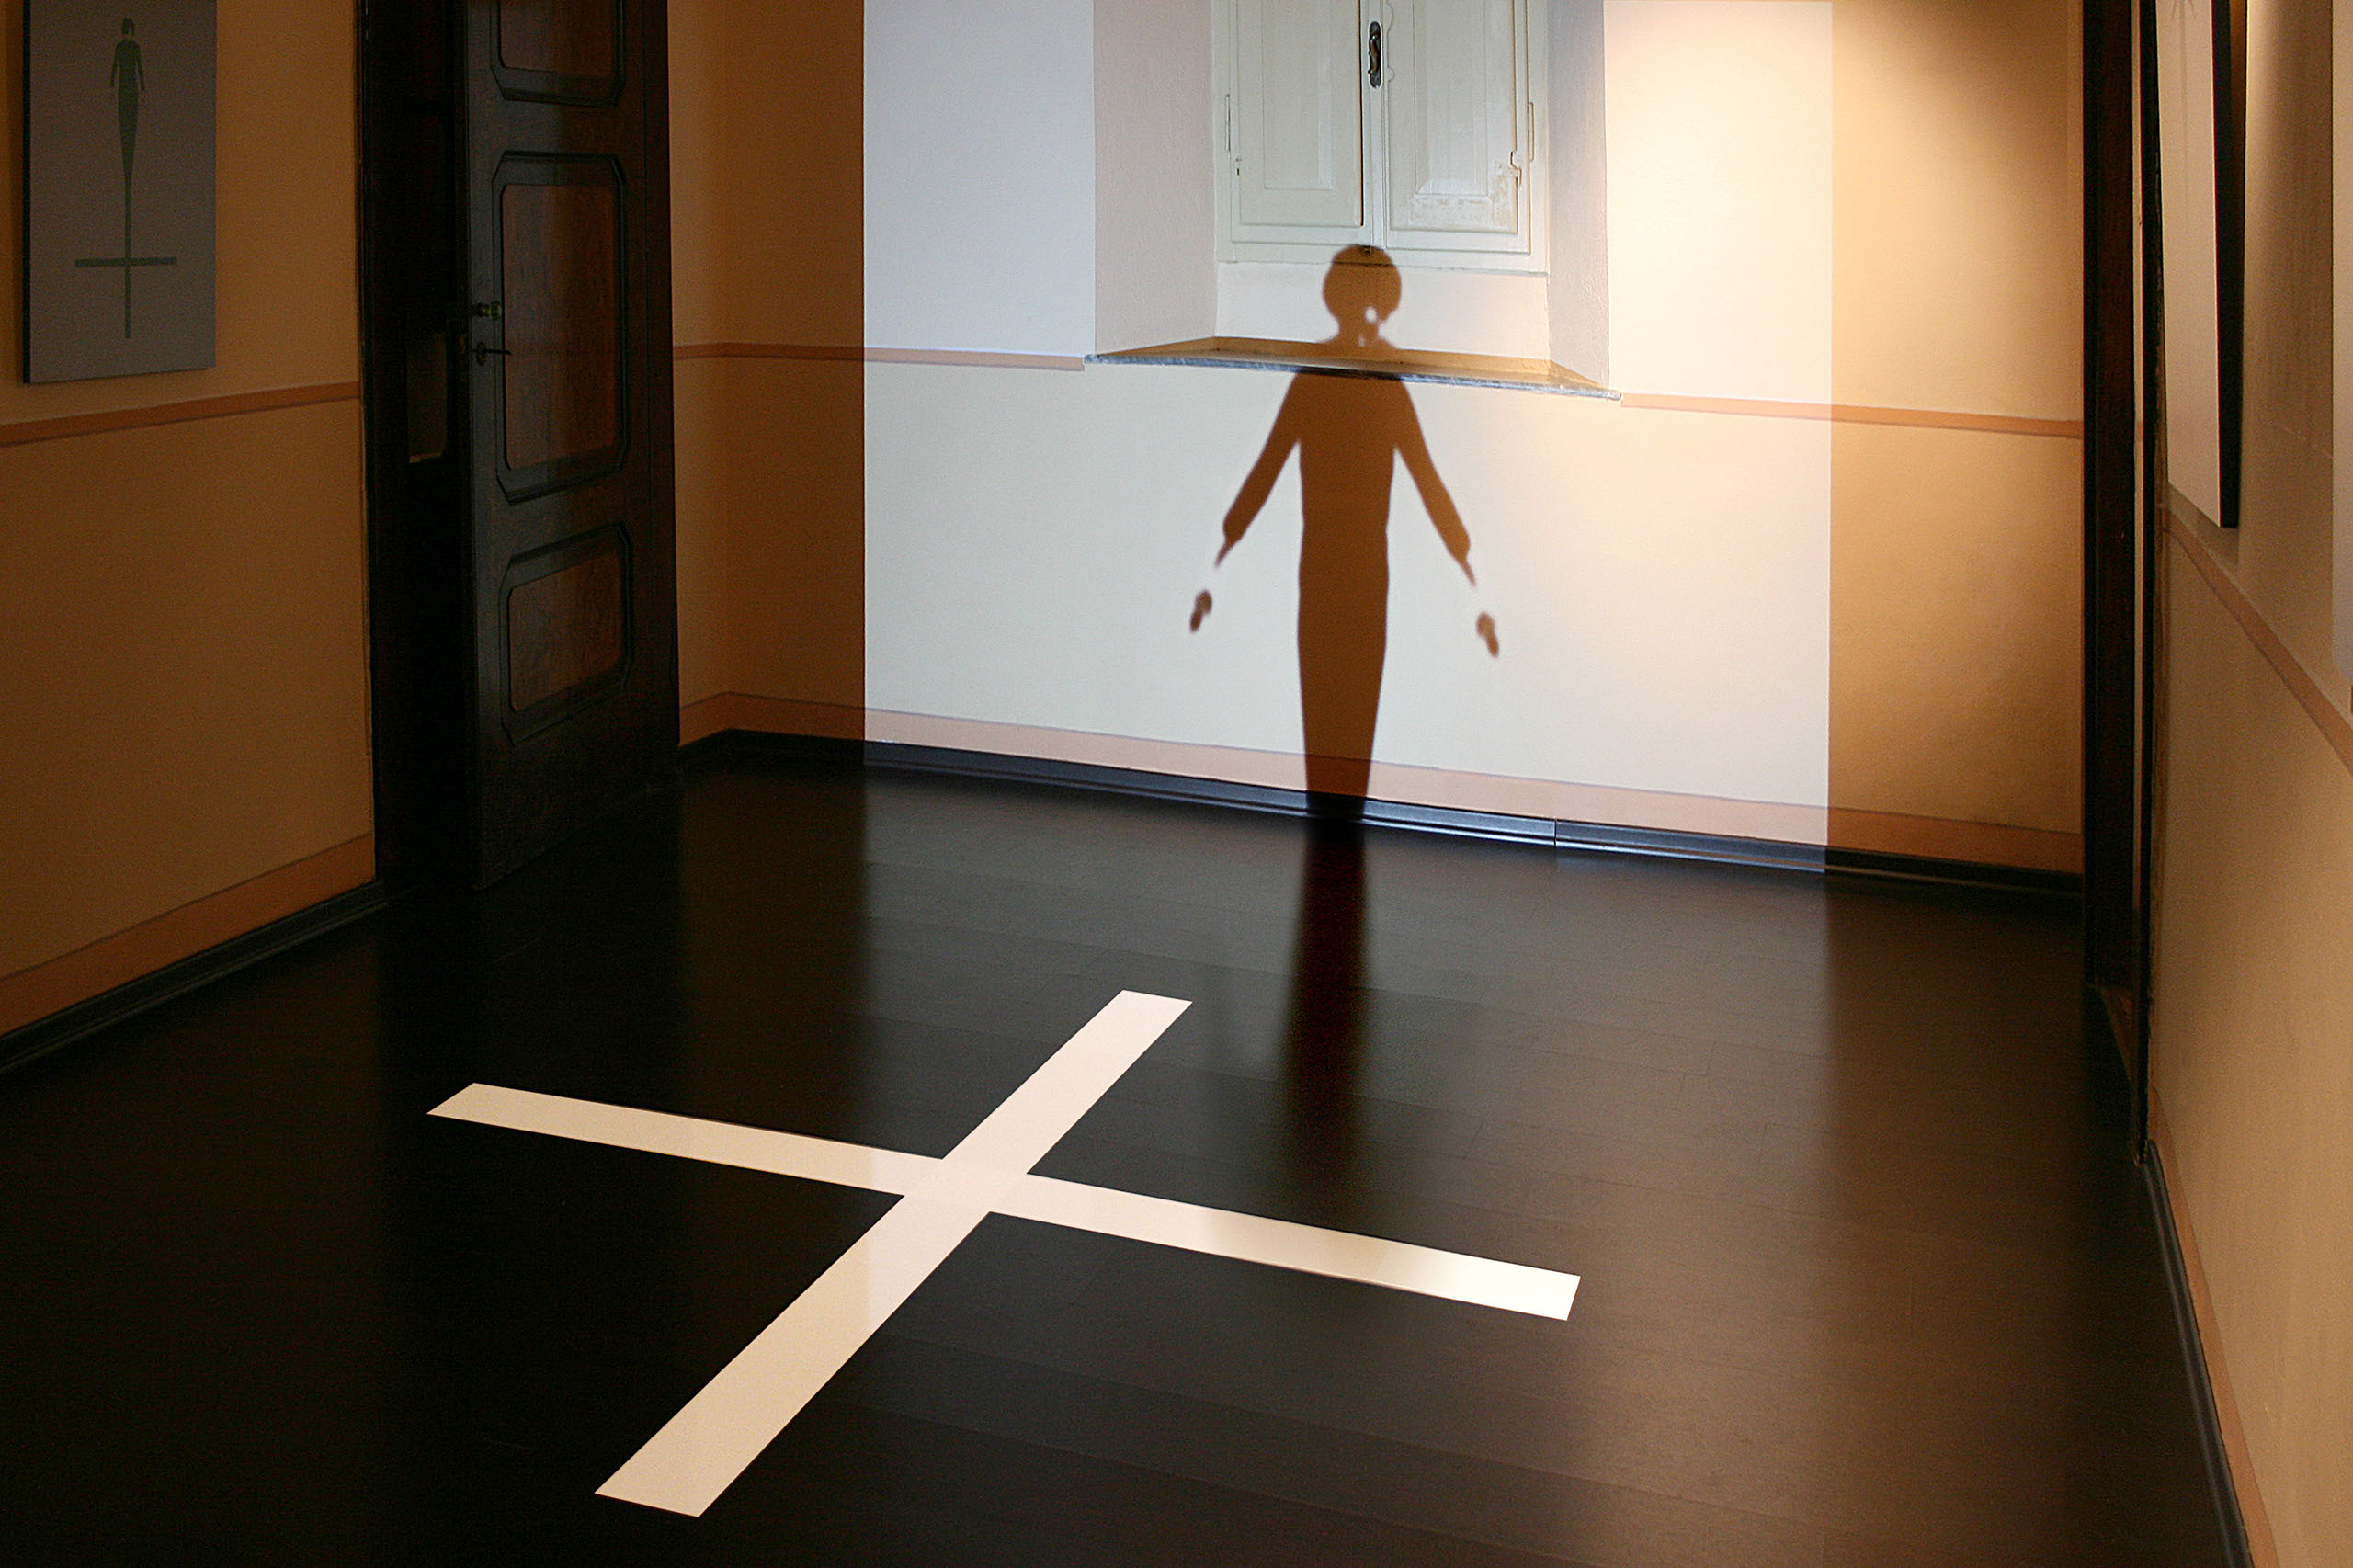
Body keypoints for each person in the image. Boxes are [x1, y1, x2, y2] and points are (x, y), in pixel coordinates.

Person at [1198, 246, 1495, 803]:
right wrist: (1465, 558)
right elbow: (1427, 478)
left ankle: (1331, 804)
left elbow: (1268, 466)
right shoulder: (1380, 384)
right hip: (1358, 564)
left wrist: (1226, 541)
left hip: (1327, 561)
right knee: (1354, 692)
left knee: (1325, 690)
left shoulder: (1320, 378)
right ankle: (1343, 805)